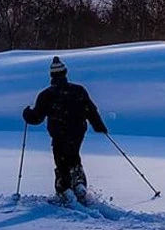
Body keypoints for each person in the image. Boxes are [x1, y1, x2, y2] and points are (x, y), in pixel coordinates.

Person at [23, 56, 108, 204]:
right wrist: (99, 126)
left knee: (61, 161)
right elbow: (91, 110)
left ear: (52, 75)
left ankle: (65, 189)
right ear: (65, 73)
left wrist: (27, 114)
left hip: (59, 133)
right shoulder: (78, 90)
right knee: (74, 156)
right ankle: (79, 183)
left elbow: (36, 118)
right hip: (78, 132)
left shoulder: (46, 95)